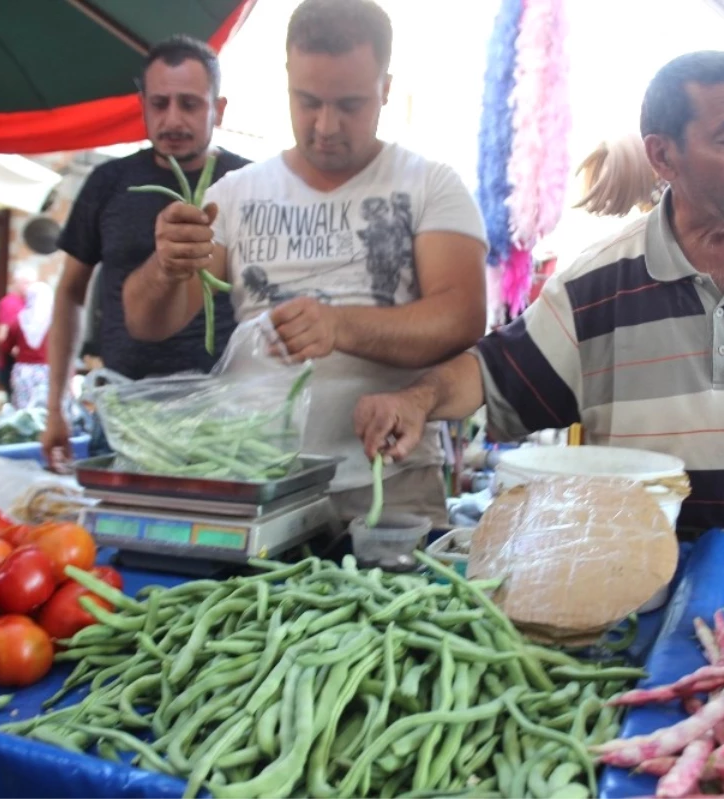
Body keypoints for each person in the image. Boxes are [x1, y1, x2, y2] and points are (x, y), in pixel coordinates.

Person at [354, 51, 724, 542]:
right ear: (663, 156)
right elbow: (494, 374)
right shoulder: (597, 284)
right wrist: (416, 398)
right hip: (637, 560)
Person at [124, 0, 488, 526]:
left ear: (386, 88)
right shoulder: (234, 194)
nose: (325, 125)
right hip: (256, 484)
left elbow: (461, 318)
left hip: (390, 484)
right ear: (288, 81)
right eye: (308, 101)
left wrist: (340, 325)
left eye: (350, 104)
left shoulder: (430, 184)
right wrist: (165, 266)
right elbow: (147, 322)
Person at [42, 34, 251, 469]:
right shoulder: (108, 183)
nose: (172, 119)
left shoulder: (249, 184)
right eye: (160, 103)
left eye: (190, 104)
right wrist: (55, 404)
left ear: (220, 108)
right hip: (122, 413)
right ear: (142, 104)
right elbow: (69, 294)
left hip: (224, 422)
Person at [1, 282, 53, 409]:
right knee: (44, 411)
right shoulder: (54, 323)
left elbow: (6, 344)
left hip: (23, 372)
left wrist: (17, 351)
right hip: (47, 372)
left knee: (23, 412)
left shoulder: (20, 320)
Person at [0, 263, 38, 392]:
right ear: (17, 282)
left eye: (33, 283)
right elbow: (2, 337)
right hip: (13, 365)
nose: (31, 287)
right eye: (27, 283)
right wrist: (24, 355)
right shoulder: (10, 304)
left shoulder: (29, 304)